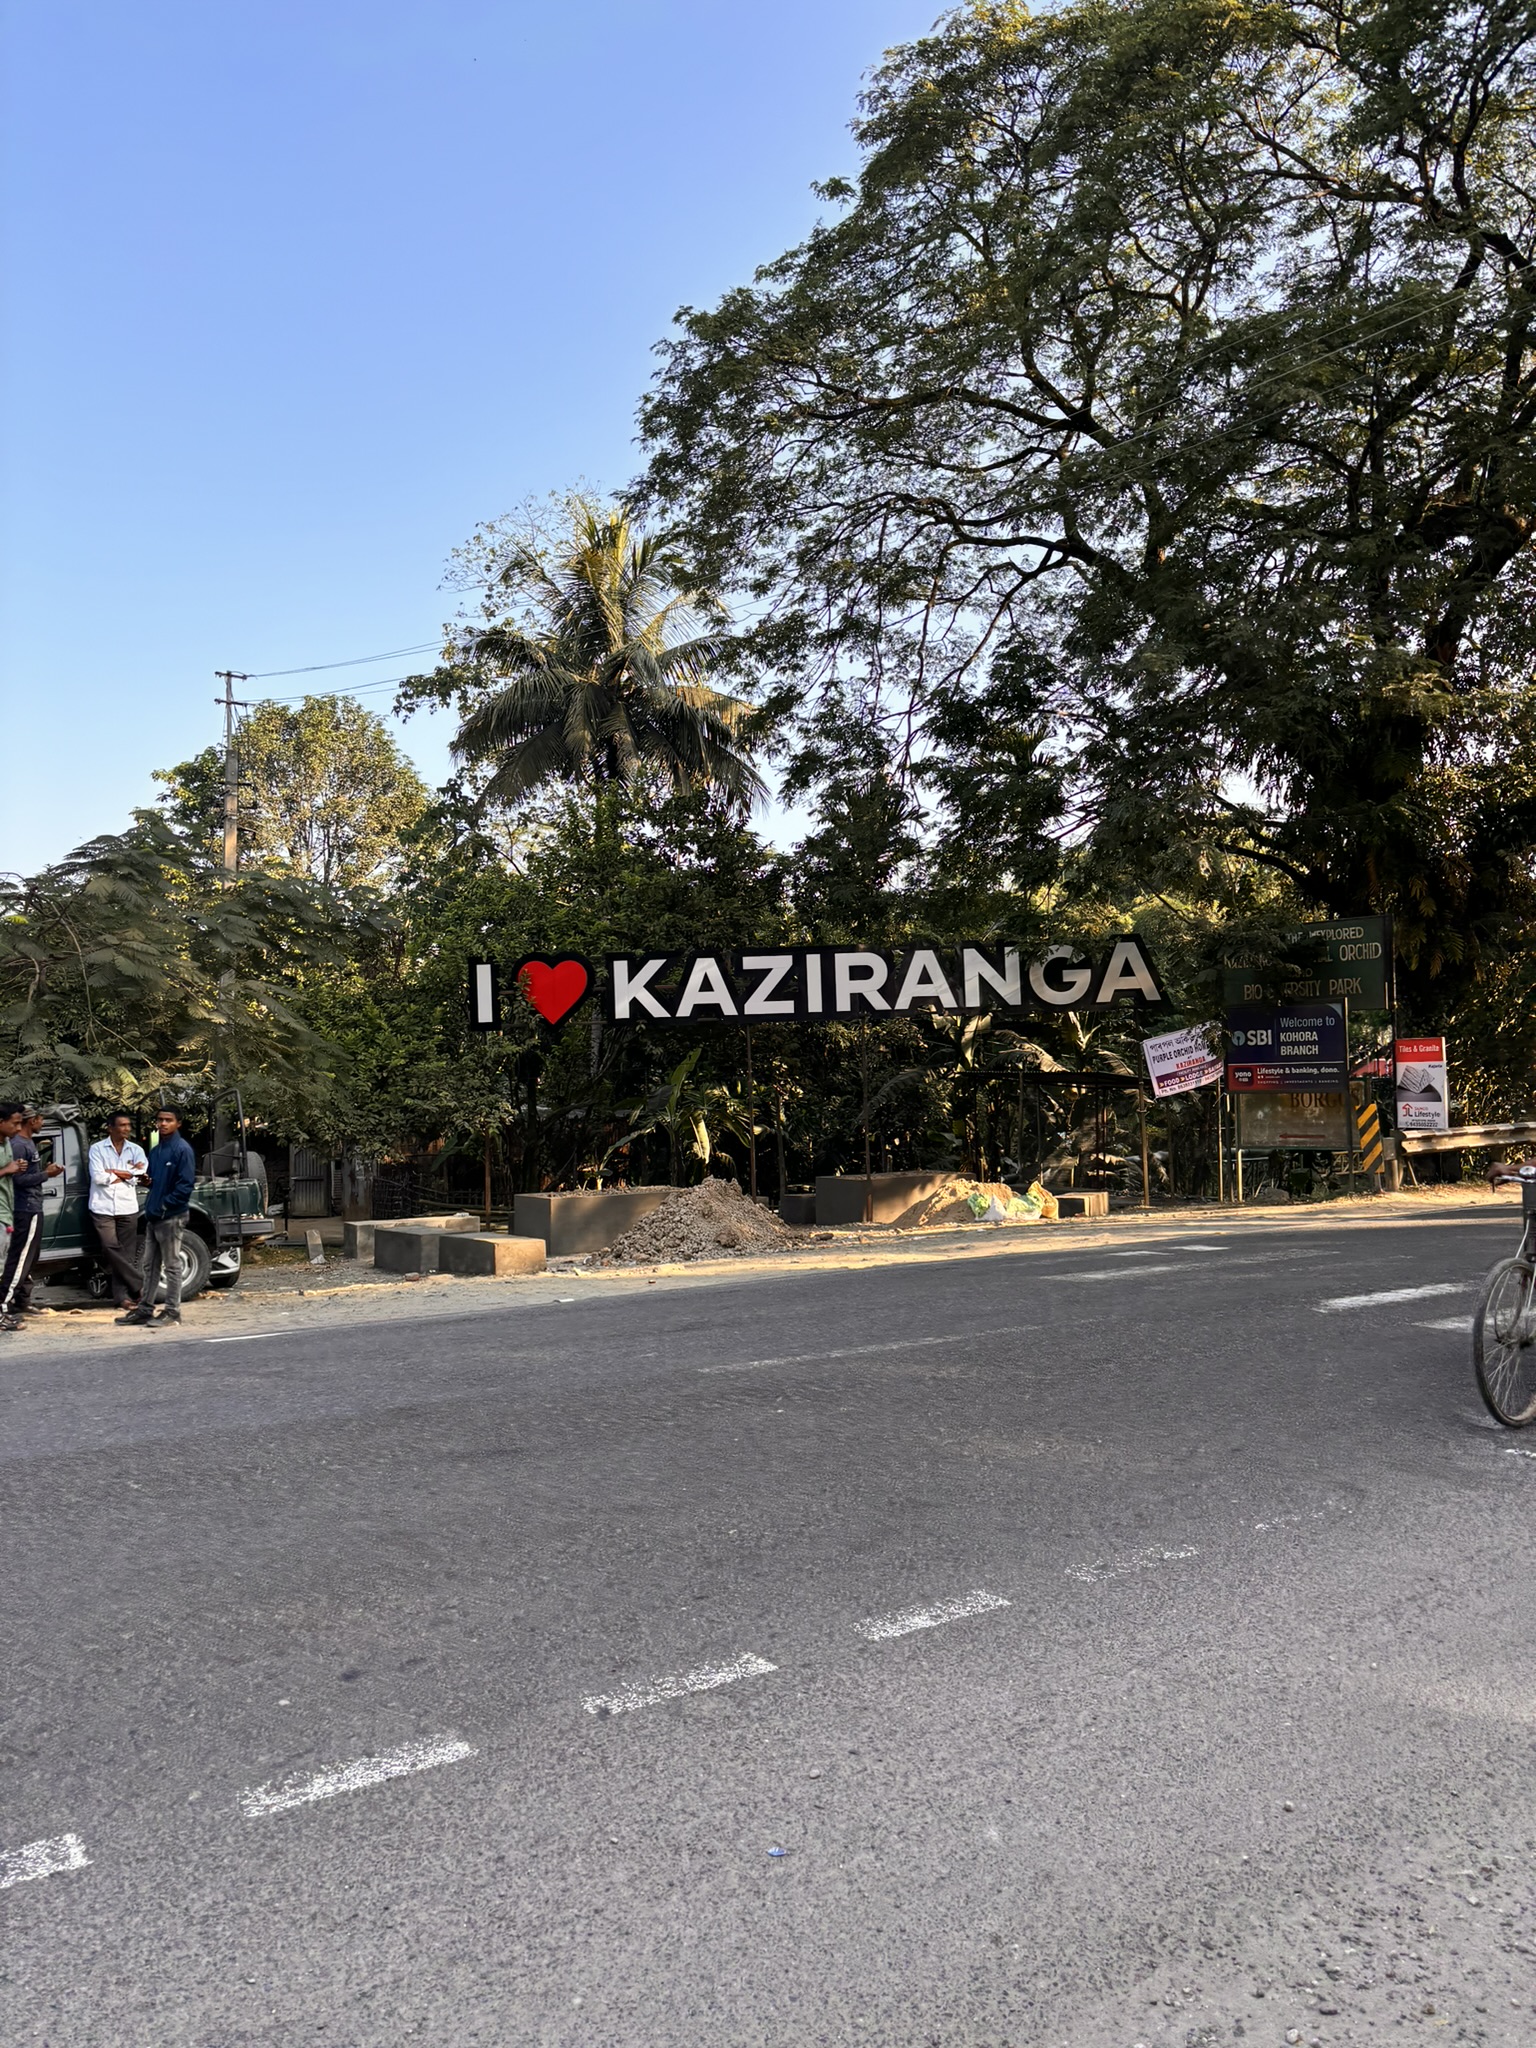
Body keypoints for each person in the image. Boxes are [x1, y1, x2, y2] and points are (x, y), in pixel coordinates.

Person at [118, 1106, 196, 1327]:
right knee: (149, 1265)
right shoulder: (156, 1150)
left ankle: (173, 1311)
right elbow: (154, 1179)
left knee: (172, 1265)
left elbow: (185, 1186)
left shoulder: (182, 1150)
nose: (162, 1124)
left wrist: (164, 1205)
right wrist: (147, 1182)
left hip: (171, 1216)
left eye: (168, 1120)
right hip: (154, 1215)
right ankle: (145, 1309)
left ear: (178, 1123)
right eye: (160, 1120)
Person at [0, 1107, 65, 1329]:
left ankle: (21, 1301)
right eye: (15, 1123)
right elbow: (18, 1180)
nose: (18, 1128)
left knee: (27, 1257)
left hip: (24, 1207)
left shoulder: (18, 1143)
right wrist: (47, 1174)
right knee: (17, 1260)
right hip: (22, 1208)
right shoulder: (17, 1144)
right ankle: (4, 1306)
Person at [88, 1110, 149, 1310]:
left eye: (128, 1125)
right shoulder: (97, 1149)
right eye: (122, 1125)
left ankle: (122, 1298)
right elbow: (98, 1178)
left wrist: (113, 1172)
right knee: (110, 1248)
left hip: (127, 1206)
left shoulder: (135, 1150)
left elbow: (139, 1174)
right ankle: (139, 1286)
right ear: (110, 1128)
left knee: (127, 1254)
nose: (127, 1129)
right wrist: (126, 1174)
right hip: (102, 1206)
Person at [0, 1104, 28, 1298]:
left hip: (6, 1211)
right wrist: (6, 1170)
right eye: (15, 1123)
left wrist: (17, 1167)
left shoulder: (7, 1143)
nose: (18, 1129)